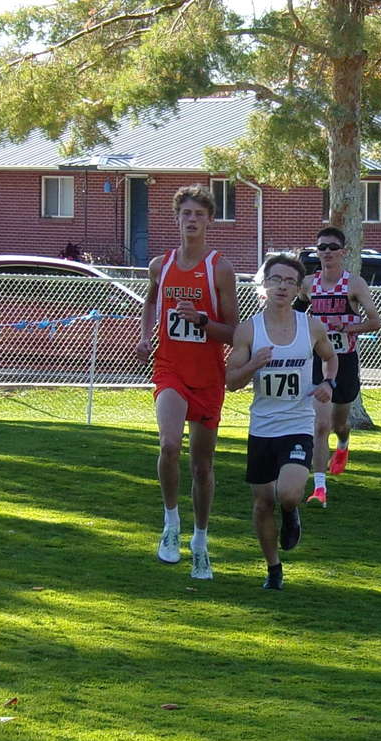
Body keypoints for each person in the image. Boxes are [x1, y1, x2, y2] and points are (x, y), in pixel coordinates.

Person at [136, 185, 237, 579]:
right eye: (185, 213)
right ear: (176, 219)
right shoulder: (161, 265)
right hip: (170, 368)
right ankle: (170, 523)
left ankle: (200, 538)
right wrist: (145, 336)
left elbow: (232, 331)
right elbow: (149, 301)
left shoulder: (219, 268)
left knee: (202, 466)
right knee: (169, 444)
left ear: (210, 220)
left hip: (208, 375)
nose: (191, 220)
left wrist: (201, 322)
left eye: (199, 214)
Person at [226, 254, 338, 590]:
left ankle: (291, 512)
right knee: (261, 503)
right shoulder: (249, 330)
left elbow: (331, 360)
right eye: (275, 279)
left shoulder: (311, 326)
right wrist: (253, 365)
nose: (281, 286)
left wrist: (327, 384)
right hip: (262, 428)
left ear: (298, 290)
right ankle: (273, 569)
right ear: (264, 284)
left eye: (289, 281)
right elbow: (231, 382)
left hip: (298, 423)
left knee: (287, 492)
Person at [297, 227, 381, 508]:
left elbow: (375, 322)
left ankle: (343, 444)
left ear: (343, 251)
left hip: (344, 361)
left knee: (338, 423)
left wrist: (350, 326)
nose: (327, 252)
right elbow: (294, 316)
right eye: (322, 247)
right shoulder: (309, 284)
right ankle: (319, 488)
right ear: (316, 251)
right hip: (318, 361)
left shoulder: (354, 284)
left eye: (333, 247)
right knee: (320, 425)